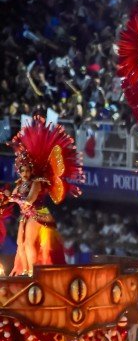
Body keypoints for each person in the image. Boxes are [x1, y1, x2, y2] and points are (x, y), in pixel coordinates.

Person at [1, 117, 83, 275]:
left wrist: (12, 198)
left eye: (27, 170)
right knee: (20, 243)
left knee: (30, 243)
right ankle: (24, 271)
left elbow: (29, 200)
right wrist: (4, 199)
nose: (24, 173)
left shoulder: (36, 182)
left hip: (39, 213)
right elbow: (11, 199)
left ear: (31, 170)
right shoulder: (19, 184)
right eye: (22, 170)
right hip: (26, 215)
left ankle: (33, 272)